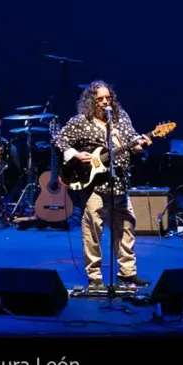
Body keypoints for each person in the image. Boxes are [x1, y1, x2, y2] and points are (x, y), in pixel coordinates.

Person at [55, 81, 151, 291]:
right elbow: (60, 140)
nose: (105, 102)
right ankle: (95, 276)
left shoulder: (121, 117)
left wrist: (141, 145)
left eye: (108, 98)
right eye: (100, 99)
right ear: (91, 101)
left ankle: (127, 273)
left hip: (120, 183)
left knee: (126, 228)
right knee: (93, 231)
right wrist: (77, 154)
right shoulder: (82, 121)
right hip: (95, 185)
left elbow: (133, 141)